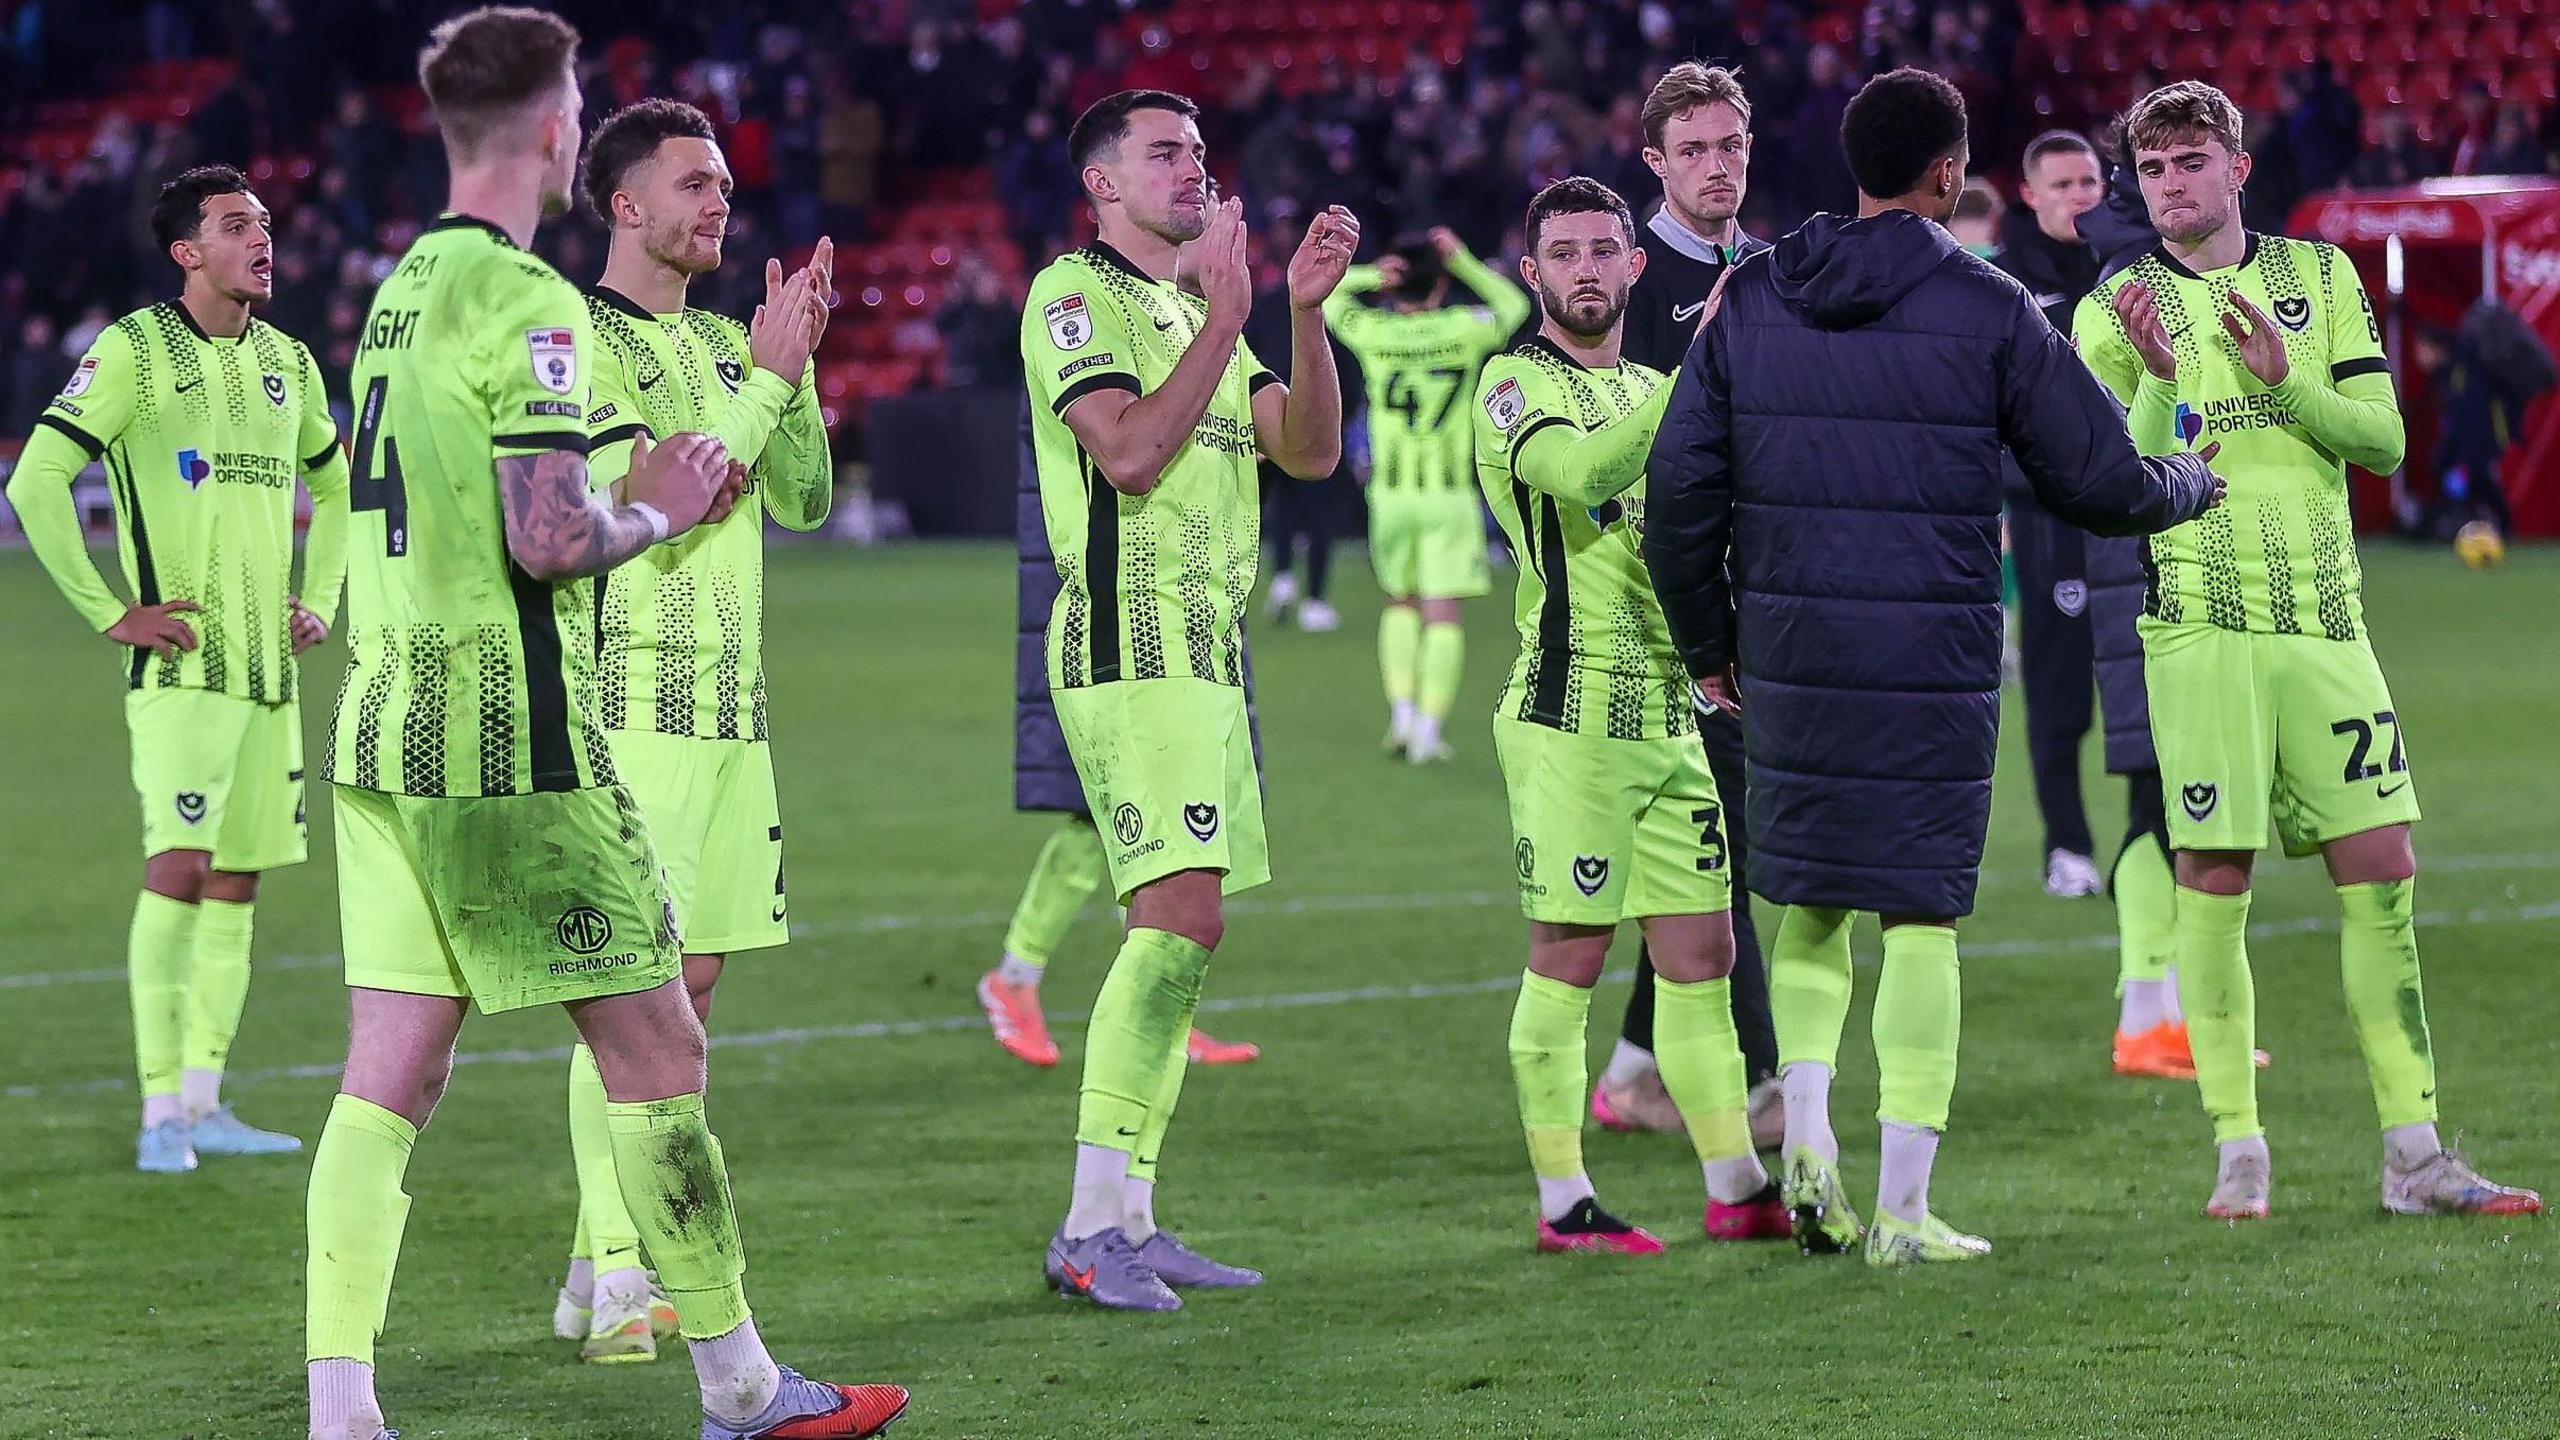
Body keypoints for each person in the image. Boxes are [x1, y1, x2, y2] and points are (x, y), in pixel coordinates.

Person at [303, 11, 906, 1439]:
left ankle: (343, 1410)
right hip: (514, 733)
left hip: (382, 723)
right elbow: (551, 538)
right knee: (661, 1050)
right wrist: (662, 510)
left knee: (390, 1074)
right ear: (566, 137)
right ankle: (738, 1384)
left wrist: (775, 378)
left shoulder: (400, 289)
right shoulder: (532, 303)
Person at [1644, 68, 2223, 1266]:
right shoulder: (1990, 304)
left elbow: (1677, 496)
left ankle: (1806, 1153)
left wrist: (1711, 650)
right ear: (1949, 174)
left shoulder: (1750, 296)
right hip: (1931, 659)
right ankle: (1901, 1212)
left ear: (1856, 168)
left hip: (1788, 656)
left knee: (1802, 909)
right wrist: (2191, 480)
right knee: (1918, 919)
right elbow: (2099, 482)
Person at [2075, 80, 2541, 1222]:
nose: (2171, 185)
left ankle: (2415, 1157)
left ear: (2238, 166)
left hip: (2325, 626)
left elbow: (2381, 443)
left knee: (2381, 877)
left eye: (2192, 161)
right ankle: (2239, 1152)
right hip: (2197, 633)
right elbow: (2113, 492)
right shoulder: (2114, 308)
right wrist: (2162, 391)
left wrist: (2286, 386)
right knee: (2214, 883)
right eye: (2152, 169)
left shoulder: (2318, 278)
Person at [1019, 88, 1355, 1311]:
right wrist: (1227, 311)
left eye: (1200, 154)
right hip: (1128, 642)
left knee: (1187, 931)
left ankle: (1134, 1215)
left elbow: (1306, 449)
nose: (1192, 170)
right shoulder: (1074, 296)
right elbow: (1128, 450)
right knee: (1174, 921)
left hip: (1209, 659)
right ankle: (1084, 1226)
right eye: (1163, 154)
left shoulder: (1185, 305)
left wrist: (1302, 320)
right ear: (1101, 183)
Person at [539, 97, 834, 1368]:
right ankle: (619, 1281)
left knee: (690, 998)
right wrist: (768, 380)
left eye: (724, 184)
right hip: (627, 710)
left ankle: (591, 1262)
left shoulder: (727, 340)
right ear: (624, 204)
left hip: (734, 717)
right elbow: (661, 497)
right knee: (632, 1000)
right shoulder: (577, 337)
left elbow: (806, 499)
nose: (721, 202)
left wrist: (795, 364)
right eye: (694, 184)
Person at [5, 164, 347, 1173]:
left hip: (268, 680)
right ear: (186, 254)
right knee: (180, 870)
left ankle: (204, 1103)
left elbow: (337, 490)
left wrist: (318, 600)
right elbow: (37, 481)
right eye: (237, 226)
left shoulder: (288, 361)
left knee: (237, 884)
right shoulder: (134, 352)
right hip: (186, 672)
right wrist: (112, 611)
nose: (263, 240)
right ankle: (160, 1110)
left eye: (267, 224)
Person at [1475, 176, 1787, 1256]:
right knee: (1567, 954)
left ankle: (1737, 1184)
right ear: (1533, 274)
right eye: (1564, 254)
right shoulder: (1512, 383)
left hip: (1671, 712)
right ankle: (1564, 1202)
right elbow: (1579, 473)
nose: (1588, 270)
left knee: (1703, 951)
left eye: (1605, 250)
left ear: (1635, 265)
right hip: (1567, 714)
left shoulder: (1659, 379)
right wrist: (1700, 377)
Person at [1594, 59, 1783, 1155]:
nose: (1718, 167)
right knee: (1732, 853)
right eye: (1694, 150)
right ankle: (1764, 1087)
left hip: (1762, 602)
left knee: (1705, 852)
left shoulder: (1768, 270)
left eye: (1732, 146)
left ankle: (1631, 1070)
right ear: (1656, 162)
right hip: (1667, 615)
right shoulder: (1621, 279)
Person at [975, 397, 1261, 1073]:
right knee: (1102, 821)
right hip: (1111, 631)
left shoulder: (1169, 330)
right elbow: (1124, 461)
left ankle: (1158, 1005)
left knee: (1157, 833)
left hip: (1187, 622)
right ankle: (1017, 977)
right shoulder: (1083, 316)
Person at [1323, 225, 1529, 762]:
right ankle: (1429, 731)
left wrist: (1371, 272)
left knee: (1400, 603)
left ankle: (1402, 717)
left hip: (1390, 496)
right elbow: (1514, 304)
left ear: (1395, 290)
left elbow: (1328, 295)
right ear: (1438, 288)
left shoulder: (1373, 333)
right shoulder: (1465, 328)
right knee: (1442, 613)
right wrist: (1461, 261)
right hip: (1448, 496)